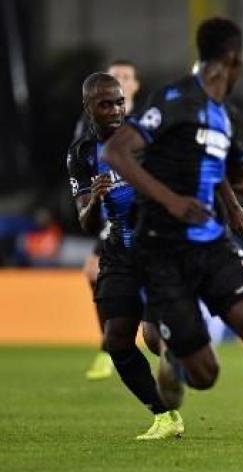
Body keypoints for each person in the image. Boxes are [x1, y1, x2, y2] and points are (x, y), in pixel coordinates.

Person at [103, 17, 243, 472]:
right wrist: (169, 199)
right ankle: (176, 365)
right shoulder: (172, 100)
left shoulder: (227, 116)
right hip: (161, 249)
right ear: (232, 58)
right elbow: (116, 153)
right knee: (205, 375)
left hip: (211, 244)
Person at [66, 72, 184, 439]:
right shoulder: (82, 153)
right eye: (105, 104)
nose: (116, 109)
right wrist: (96, 201)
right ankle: (165, 416)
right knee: (117, 339)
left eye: (119, 102)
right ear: (89, 108)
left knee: (152, 338)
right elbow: (85, 221)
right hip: (119, 251)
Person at [82, 60, 141, 381]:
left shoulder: (147, 127)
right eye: (114, 75)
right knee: (93, 271)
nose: (119, 81)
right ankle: (108, 346)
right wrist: (95, 199)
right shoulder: (85, 139)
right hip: (112, 222)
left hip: (152, 231)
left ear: (134, 86)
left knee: (158, 339)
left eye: (125, 78)